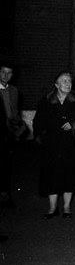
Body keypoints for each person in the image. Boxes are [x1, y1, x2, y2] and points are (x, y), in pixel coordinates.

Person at [34, 71, 75, 218]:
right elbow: (38, 122)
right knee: (51, 175)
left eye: (69, 81)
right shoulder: (46, 100)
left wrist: (74, 125)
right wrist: (42, 137)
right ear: (56, 85)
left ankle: (66, 207)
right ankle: (52, 208)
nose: (68, 83)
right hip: (52, 145)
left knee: (70, 175)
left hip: (72, 145)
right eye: (64, 81)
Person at [0, 62, 22, 207]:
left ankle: (5, 195)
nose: (6, 75)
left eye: (9, 73)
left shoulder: (14, 91)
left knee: (6, 165)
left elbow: (14, 112)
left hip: (8, 134)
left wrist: (18, 129)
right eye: (3, 72)